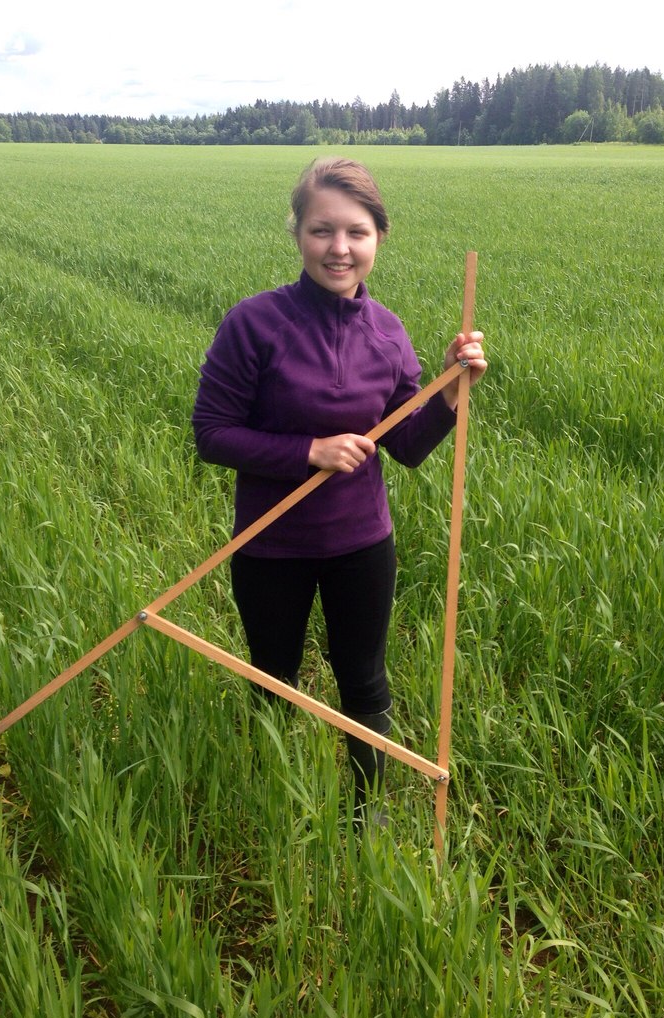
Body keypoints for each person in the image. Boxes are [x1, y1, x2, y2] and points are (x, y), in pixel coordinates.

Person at [192, 157, 486, 825]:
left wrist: (448, 391)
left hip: (360, 541)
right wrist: (307, 453)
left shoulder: (387, 333)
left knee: (365, 680)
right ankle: (270, 796)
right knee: (273, 677)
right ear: (297, 233)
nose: (339, 248)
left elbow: (406, 445)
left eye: (357, 232)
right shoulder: (253, 324)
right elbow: (212, 434)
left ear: (380, 236)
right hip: (271, 543)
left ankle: (365, 811)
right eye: (322, 230)